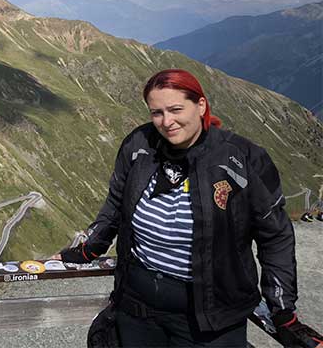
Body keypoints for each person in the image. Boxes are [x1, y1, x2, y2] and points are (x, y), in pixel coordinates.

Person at [53, 69, 321, 347]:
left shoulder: (242, 159)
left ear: (201, 105)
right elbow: (115, 205)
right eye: (156, 112)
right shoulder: (139, 145)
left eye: (176, 109)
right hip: (137, 308)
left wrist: (283, 312)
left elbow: (275, 235)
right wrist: (84, 251)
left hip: (212, 318)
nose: (167, 121)